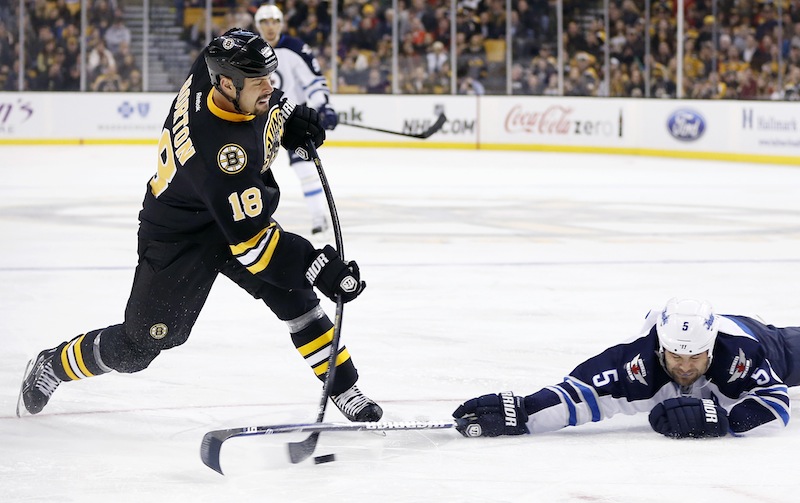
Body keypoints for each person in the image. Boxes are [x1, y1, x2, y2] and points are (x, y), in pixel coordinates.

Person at [17, 28, 383, 425]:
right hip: (178, 236)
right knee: (140, 345)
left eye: (269, 77)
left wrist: (288, 114)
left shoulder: (210, 68)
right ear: (226, 83)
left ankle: (344, 388)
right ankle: (54, 363)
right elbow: (256, 251)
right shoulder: (223, 158)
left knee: (296, 299)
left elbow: (256, 86)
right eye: (259, 81)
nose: (269, 86)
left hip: (224, 211)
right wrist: (317, 266)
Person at [453, 298, 797, 439]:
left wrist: (726, 422)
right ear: (660, 344)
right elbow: (577, 396)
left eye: (696, 358)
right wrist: (525, 413)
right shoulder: (632, 363)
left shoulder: (741, 353)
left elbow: (776, 402)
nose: (685, 368)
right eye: (676, 356)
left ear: (711, 347)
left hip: (770, 341)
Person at [254, 4, 338, 237]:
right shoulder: (250, 51)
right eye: (264, 23)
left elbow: (313, 81)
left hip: (291, 119)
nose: (270, 27)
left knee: (304, 167)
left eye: (274, 22)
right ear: (258, 26)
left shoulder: (296, 48)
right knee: (253, 168)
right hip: (259, 120)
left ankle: (318, 215)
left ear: (281, 23)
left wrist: (323, 105)